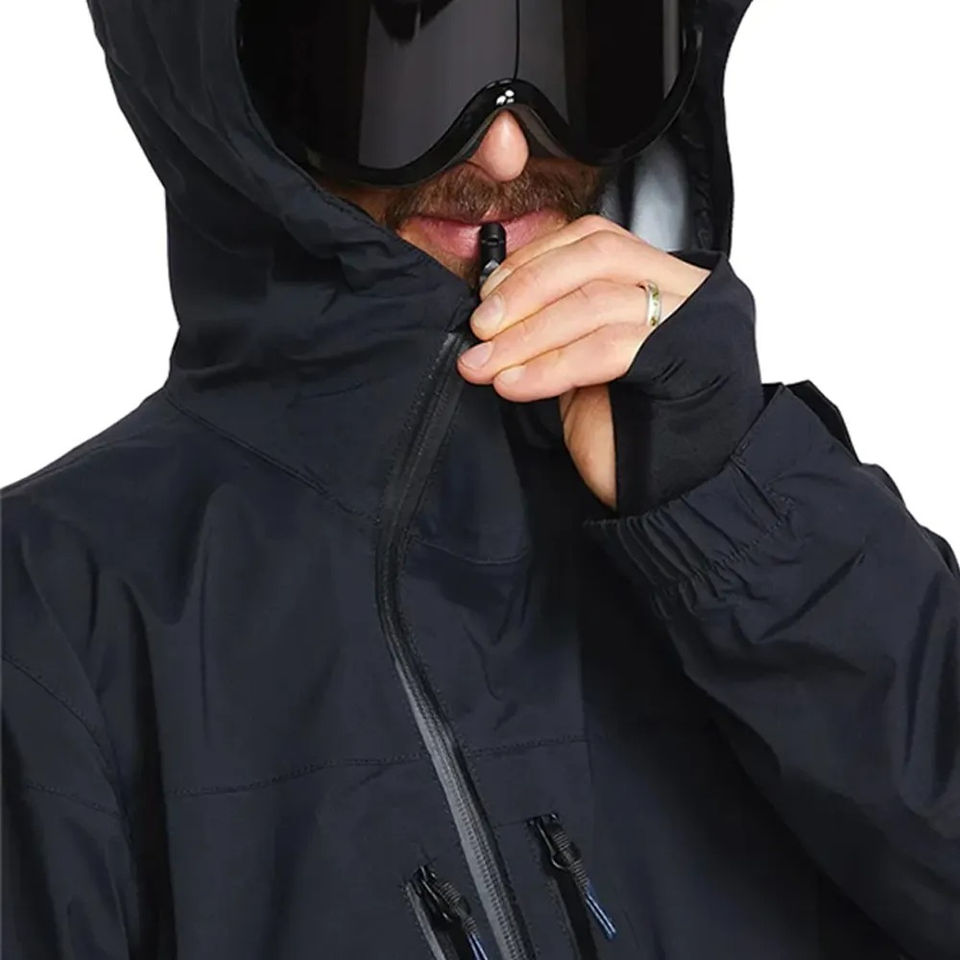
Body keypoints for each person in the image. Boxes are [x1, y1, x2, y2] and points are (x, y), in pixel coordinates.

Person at [2, 1, 958, 958]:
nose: (506, 153)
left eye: (575, 51)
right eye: (409, 63)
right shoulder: (50, 610)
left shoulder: (765, 518)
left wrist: (735, 514)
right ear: (227, 92)